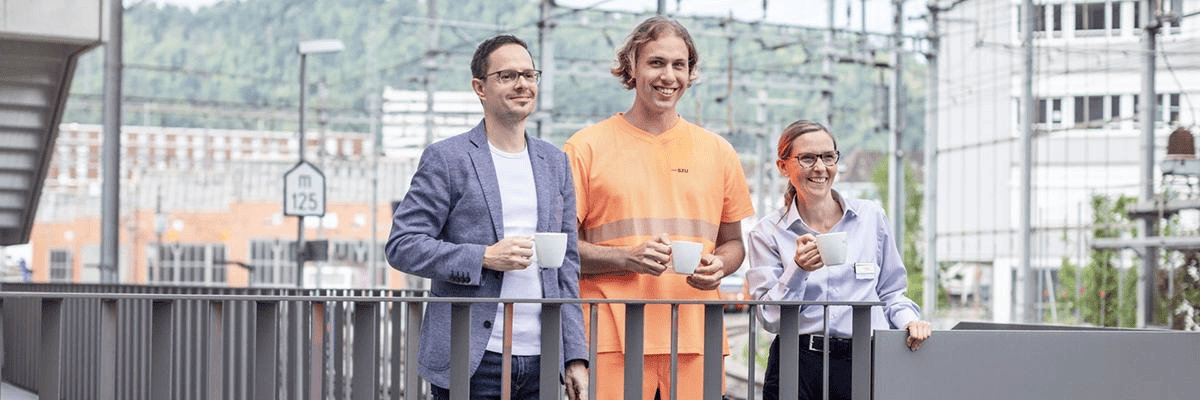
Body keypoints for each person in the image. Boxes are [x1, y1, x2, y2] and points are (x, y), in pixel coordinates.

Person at [386, 34, 588, 400]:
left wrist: (575, 355)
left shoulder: (555, 163)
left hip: (543, 359)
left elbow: (567, 266)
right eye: (507, 75)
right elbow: (402, 245)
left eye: (529, 74)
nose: (522, 84)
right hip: (473, 357)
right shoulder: (447, 159)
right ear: (480, 87)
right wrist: (482, 257)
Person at [563, 16, 754, 400]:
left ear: (690, 73)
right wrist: (626, 258)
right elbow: (561, 252)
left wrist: (722, 264)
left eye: (678, 65)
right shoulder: (584, 148)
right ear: (631, 67)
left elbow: (733, 244)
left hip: (697, 335)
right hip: (608, 336)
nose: (669, 76)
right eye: (656, 63)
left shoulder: (718, 152)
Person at [745, 120, 933, 400]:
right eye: (807, 158)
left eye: (828, 157)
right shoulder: (767, 232)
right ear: (783, 166)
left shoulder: (871, 218)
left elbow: (892, 292)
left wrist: (910, 321)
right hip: (797, 363)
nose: (820, 168)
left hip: (865, 359)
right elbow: (770, 319)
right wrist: (797, 270)